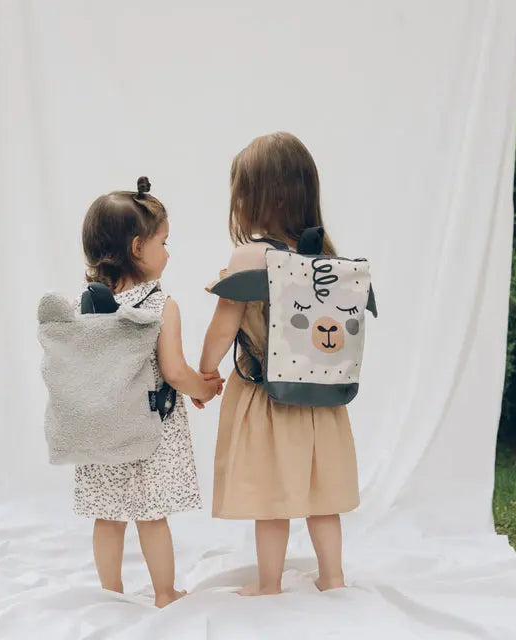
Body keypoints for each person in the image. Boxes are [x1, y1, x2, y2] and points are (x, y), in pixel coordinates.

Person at [199, 133, 360, 596]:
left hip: (267, 396)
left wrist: (206, 373)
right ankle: (333, 577)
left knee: (272, 498)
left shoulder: (252, 255)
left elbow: (223, 326)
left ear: (265, 197)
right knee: (321, 496)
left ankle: (269, 583)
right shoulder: (323, 255)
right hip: (322, 398)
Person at [74, 177, 223, 608]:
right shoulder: (160, 306)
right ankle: (164, 592)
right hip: (148, 434)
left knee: (108, 515)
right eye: (164, 241)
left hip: (101, 430)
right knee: (151, 515)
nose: (169, 250)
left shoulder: (86, 306)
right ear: (138, 247)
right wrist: (206, 388)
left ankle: (110, 593)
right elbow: (175, 371)